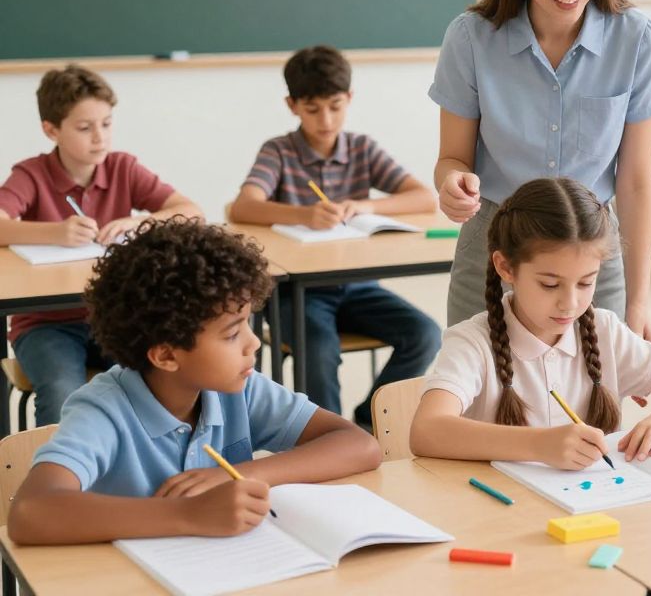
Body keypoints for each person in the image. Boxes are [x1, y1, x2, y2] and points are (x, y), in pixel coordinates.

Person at [8, 218, 381, 544]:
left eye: (249, 324)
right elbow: (30, 512)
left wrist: (237, 476)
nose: (253, 344)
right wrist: (190, 515)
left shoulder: (239, 389)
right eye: (232, 334)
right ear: (167, 355)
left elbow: (360, 445)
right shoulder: (104, 411)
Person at [430, 0, 651, 346]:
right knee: (484, 401)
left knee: (592, 403)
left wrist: (638, 302)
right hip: (495, 247)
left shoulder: (638, 39)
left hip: (592, 252)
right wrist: (451, 184)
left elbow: (636, 179)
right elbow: (452, 158)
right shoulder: (471, 38)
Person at [409, 177, 651, 467]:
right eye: (549, 284)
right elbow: (426, 430)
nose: (570, 303)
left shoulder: (606, 332)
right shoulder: (472, 342)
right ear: (506, 267)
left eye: (586, 283)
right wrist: (539, 445)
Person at [230, 45, 441, 425]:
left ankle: (368, 420)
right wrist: (302, 215)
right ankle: (327, 434)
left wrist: (366, 205)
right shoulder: (278, 152)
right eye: (312, 109)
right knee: (320, 347)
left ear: (349, 99)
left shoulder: (361, 148)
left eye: (335, 105)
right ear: (292, 105)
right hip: (299, 292)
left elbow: (424, 197)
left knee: (425, 333)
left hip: (358, 286)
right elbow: (242, 207)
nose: (325, 119)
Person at [0, 64, 202, 425]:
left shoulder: (122, 167)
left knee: (154, 383)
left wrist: (140, 222)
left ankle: (145, 473)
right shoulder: (30, 175)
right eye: (84, 127)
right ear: (51, 130)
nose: (100, 138)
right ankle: (59, 479)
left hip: (116, 316)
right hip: (46, 324)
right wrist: (55, 233)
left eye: (106, 123)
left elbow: (190, 212)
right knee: (64, 392)